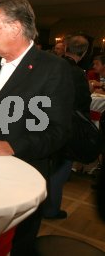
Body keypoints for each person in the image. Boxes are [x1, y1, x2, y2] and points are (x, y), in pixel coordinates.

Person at [0, 0, 74, 255]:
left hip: (23, 175)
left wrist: (12, 146)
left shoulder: (53, 69)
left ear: (15, 28)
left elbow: (58, 131)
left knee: (17, 245)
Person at [42, 34, 91, 219]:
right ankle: (51, 209)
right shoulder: (77, 73)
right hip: (64, 125)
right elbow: (83, 102)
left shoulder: (51, 65)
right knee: (60, 169)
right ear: (84, 52)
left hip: (43, 122)